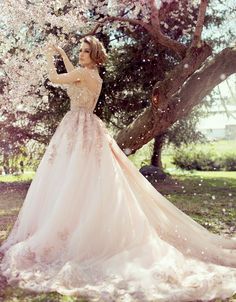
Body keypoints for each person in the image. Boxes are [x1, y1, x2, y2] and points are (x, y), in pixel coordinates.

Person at [0, 35, 235, 301]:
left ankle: (72, 229)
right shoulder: (92, 75)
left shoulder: (83, 74)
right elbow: (72, 73)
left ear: (94, 55)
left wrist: (48, 56)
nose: (81, 54)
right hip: (83, 127)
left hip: (77, 128)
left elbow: (55, 78)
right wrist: (62, 53)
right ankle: (71, 223)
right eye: (80, 51)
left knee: (71, 178)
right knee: (76, 180)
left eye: (85, 52)